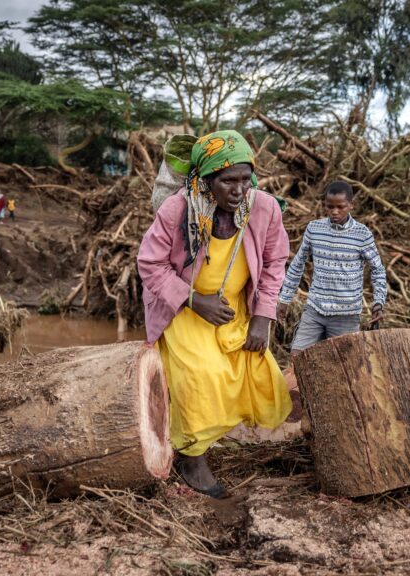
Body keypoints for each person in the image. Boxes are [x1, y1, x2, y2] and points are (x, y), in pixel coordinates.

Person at [137, 130, 292, 499]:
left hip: (233, 305)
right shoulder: (178, 209)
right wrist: (194, 300)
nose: (238, 189)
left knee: (251, 370)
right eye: (227, 181)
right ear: (206, 181)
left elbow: (274, 263)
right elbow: (151, 264)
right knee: (199, 376)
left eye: (245, 178)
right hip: (184, 308)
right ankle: (192, 456)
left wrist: (262, 316)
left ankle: (204, 437)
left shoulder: (264, 207)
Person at [277, 181, 386, 353]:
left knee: (345, 368)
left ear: (351, 205)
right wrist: (284, 300)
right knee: (298, 357)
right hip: (315, 310)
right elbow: (297, 265)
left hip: (347, 316)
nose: (335, 212)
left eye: (340, 207)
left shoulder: (362, 234)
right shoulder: (314, 229)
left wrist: (378, 302)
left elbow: (378, 270)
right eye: (330, 207)